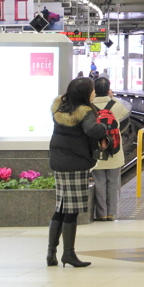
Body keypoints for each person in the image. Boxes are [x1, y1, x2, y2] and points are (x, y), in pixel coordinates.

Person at [47, 76, 108, 268]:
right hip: (76, 163)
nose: (94, 92)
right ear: (85, 93)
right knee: (71, 210)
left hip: (59, 162)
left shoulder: (59, 107)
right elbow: (94, 131)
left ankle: (51, 253)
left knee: (61, 208)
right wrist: (104, 125)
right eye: (91, 89)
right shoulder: (85, 112)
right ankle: (68, 254)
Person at [91, 76, 131, 222]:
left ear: (94, 90)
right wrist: (112, 98)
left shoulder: (89, 106)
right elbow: (125, 115)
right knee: (113, 182)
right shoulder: (117, 105)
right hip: (114, 150)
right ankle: (112, 213)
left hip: (96, 151)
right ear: (109, 90)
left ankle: (101, 213)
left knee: (99, 182)